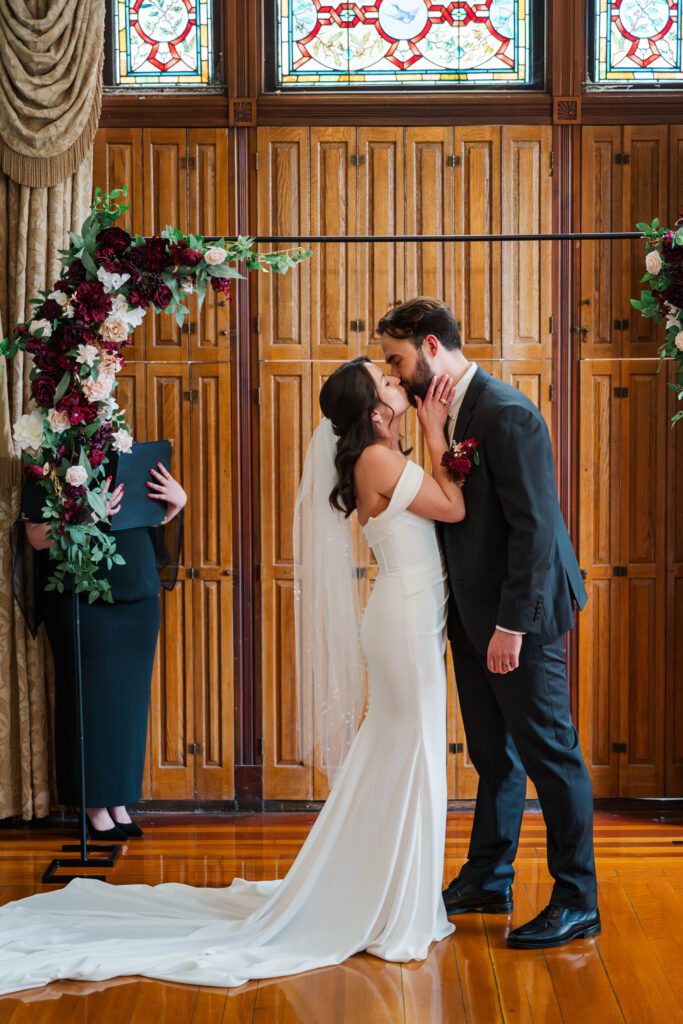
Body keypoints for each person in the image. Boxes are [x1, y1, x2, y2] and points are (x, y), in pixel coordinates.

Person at [0, 357, 463, 994]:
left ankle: (391, 890)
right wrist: (438, 432)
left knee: (403, 752)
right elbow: (454, 508)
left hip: (409, 615)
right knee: (407, 751)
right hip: (403, 620)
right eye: (386, 380)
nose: (396, 379)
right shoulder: (380, 461)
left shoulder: (383, 452)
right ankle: (387, 898)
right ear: (376, 411)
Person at [378, 296, 599, 950]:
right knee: (491, 757)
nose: (393, 372)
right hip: (470, 616)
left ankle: (576, 898)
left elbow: (533, 531)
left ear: (431, 346)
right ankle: (487, 877)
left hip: (516, 619)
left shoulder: (506, 415)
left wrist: (512, 628)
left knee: (550, 755)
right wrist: (434, 436)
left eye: (396, 358)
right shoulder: (443, 412)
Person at [17, 461, 186, 841]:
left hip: (137, 596)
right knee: (89, 700)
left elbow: (141, 520)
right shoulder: (46, 465)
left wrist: (174, 505)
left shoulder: (127, 457)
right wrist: (86, 516)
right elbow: (37, 538)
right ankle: (93, 802)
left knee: (129, 705)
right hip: (82, 599)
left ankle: (119, 799)